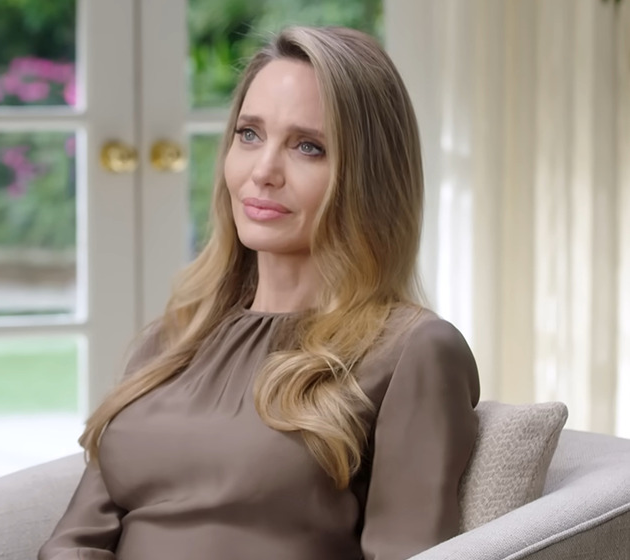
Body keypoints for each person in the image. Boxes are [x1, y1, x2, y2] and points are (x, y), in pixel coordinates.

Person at [38, 25, 480, 560]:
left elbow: (408, 552)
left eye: (308, 147)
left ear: (370, 178)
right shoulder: (173, 339)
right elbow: (73, 542)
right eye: (249, 135)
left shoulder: (413, 351)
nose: (263, 171)